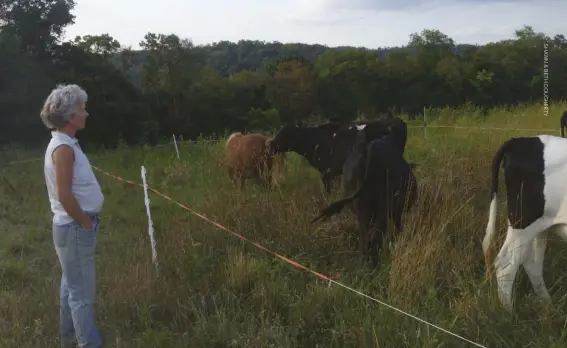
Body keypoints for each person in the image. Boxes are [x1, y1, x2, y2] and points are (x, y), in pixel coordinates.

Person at [41, 84, 104, 348]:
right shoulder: (63, 148)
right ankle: (88, 343)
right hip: (75, 228)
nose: (86, 113)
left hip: (71, 229)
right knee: (81, 294)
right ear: (69, 115)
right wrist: (86, 224)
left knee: (70, 283)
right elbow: (65, 195)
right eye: (82, 108)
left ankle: (68, 336)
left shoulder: (64, 143)